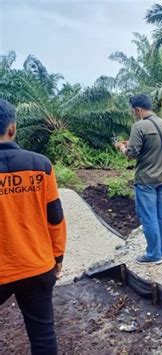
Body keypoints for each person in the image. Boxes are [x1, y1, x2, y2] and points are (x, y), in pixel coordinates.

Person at [0, 99, 67, 354]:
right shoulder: (41, 165)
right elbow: (55, 217)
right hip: (37, 266)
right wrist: (57, 256)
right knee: (43, 336)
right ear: (13, 128)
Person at [115, 94, 162, 265]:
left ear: (138, 109)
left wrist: (122, 147)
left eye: (134, 111)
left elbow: (132, 154)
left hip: (146, 179)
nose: (134, 114)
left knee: (149, 217)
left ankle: (154, 255)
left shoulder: (139, 126)